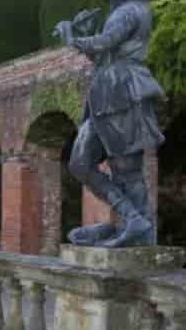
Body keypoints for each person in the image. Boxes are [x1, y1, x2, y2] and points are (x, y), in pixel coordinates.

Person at [55, 0, 165, 247]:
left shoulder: (130, 11)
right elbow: (105, 54)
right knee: (80, 163)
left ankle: (139, 230)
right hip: (107, 94)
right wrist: (85, 36)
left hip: (122, 91)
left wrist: (74, 38)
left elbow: (107, 42)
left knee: (126, 169)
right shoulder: (121, 12)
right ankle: (132, 219)